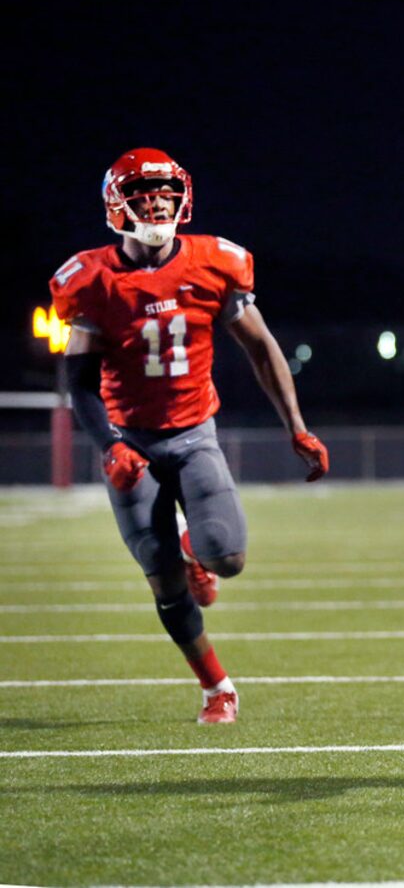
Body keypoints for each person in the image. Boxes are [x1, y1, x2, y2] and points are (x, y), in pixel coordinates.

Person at [50, 148, 329, 723]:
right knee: (165, 582)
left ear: (183, 197)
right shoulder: (91, 278)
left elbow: (261, 348)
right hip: (130, 438)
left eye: (164, 192)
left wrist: (297, 428)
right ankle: (217, 688)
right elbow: (77, 384)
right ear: (116, 204)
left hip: (194, 434)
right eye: (143, 193)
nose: (156, 202)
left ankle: (191, 543)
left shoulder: (214, 261)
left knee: (226, 558)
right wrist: (111, 447)